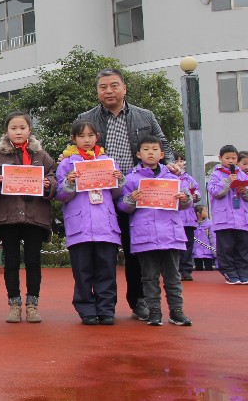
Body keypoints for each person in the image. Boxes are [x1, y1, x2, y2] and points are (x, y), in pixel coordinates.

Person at [76, 68, 176, 322]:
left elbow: (162, 145)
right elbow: (77, 151)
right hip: (102, 196)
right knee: (102, 255)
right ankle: (101, 305)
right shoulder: (87, 118)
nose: (108, 91)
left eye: (113, 86)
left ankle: (139, 300)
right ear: (97, 91)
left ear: (124, 88)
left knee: (136, 250)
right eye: (103, 87)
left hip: (138, 194)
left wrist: (171, 166)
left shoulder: (145, 116)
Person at [0, 112, 56, 324]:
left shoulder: (42, 156)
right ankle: (14, 304)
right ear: (6, 131)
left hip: (35, 216)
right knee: (11, 262)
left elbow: (53, 176)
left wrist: (48, 184)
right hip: (8, 218)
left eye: (22, 128)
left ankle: (32, 305)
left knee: (34, 262)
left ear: (29, 130)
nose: (18, 132)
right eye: (13, 128)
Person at [117, 135, 193, 326]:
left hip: (170, 235)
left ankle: (176, 311)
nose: (150, 152)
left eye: (154, 149)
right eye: (146, 149)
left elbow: (186, 203)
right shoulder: (132, 178)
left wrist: (184, 199)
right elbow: (123, 207)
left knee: (173, 277)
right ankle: (154, 311)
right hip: (145, 237)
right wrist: (131, 199)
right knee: (149, 277)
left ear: (161, 154)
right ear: (138, 153)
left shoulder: (173, 178)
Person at [55, 120, 124, 325]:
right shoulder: (67, 163)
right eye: (82, 136)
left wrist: (118, 179)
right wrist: (69, 182)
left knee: (107, 271)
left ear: (97, 137)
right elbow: (59, 195)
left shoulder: (108, 161)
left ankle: (106, 309)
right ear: (73, 139)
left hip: (105, 226)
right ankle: (86, 309)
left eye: (90, 135)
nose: (87, 140)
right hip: (80, 227)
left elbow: (118, 194)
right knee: (82, 272)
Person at [206, 144, 248, 284]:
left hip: (242, 219)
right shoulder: (215, 174)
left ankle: (243, 272)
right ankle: (229, 272)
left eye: (233, 158)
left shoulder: (242, 174)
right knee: (226, 248)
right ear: (220, 158)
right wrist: (228, 182)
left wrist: (244, 191)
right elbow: (215, 192)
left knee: (242, 248)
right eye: (227, 158)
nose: (231, 161)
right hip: (224, 219)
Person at [170, 155, 201, 282]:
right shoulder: (167, 176)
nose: (179, 163)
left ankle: (187, 270)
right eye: (176, 161)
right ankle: (175, 270)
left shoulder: (188, 178)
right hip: (174, 218)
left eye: (181, 160)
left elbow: (198, 191)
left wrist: (195, 195)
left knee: (188, 245)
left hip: (189, 219)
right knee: (175, 246)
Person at [192, 205, 216, 272]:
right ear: (198, 213)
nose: (207, 212)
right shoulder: (192, 224)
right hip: (196, 252)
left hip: (207, 251)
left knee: (209, 269)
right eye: (205, 211)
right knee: (198, 269)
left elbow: (213, 238)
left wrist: (214, 250)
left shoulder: (209, 224)